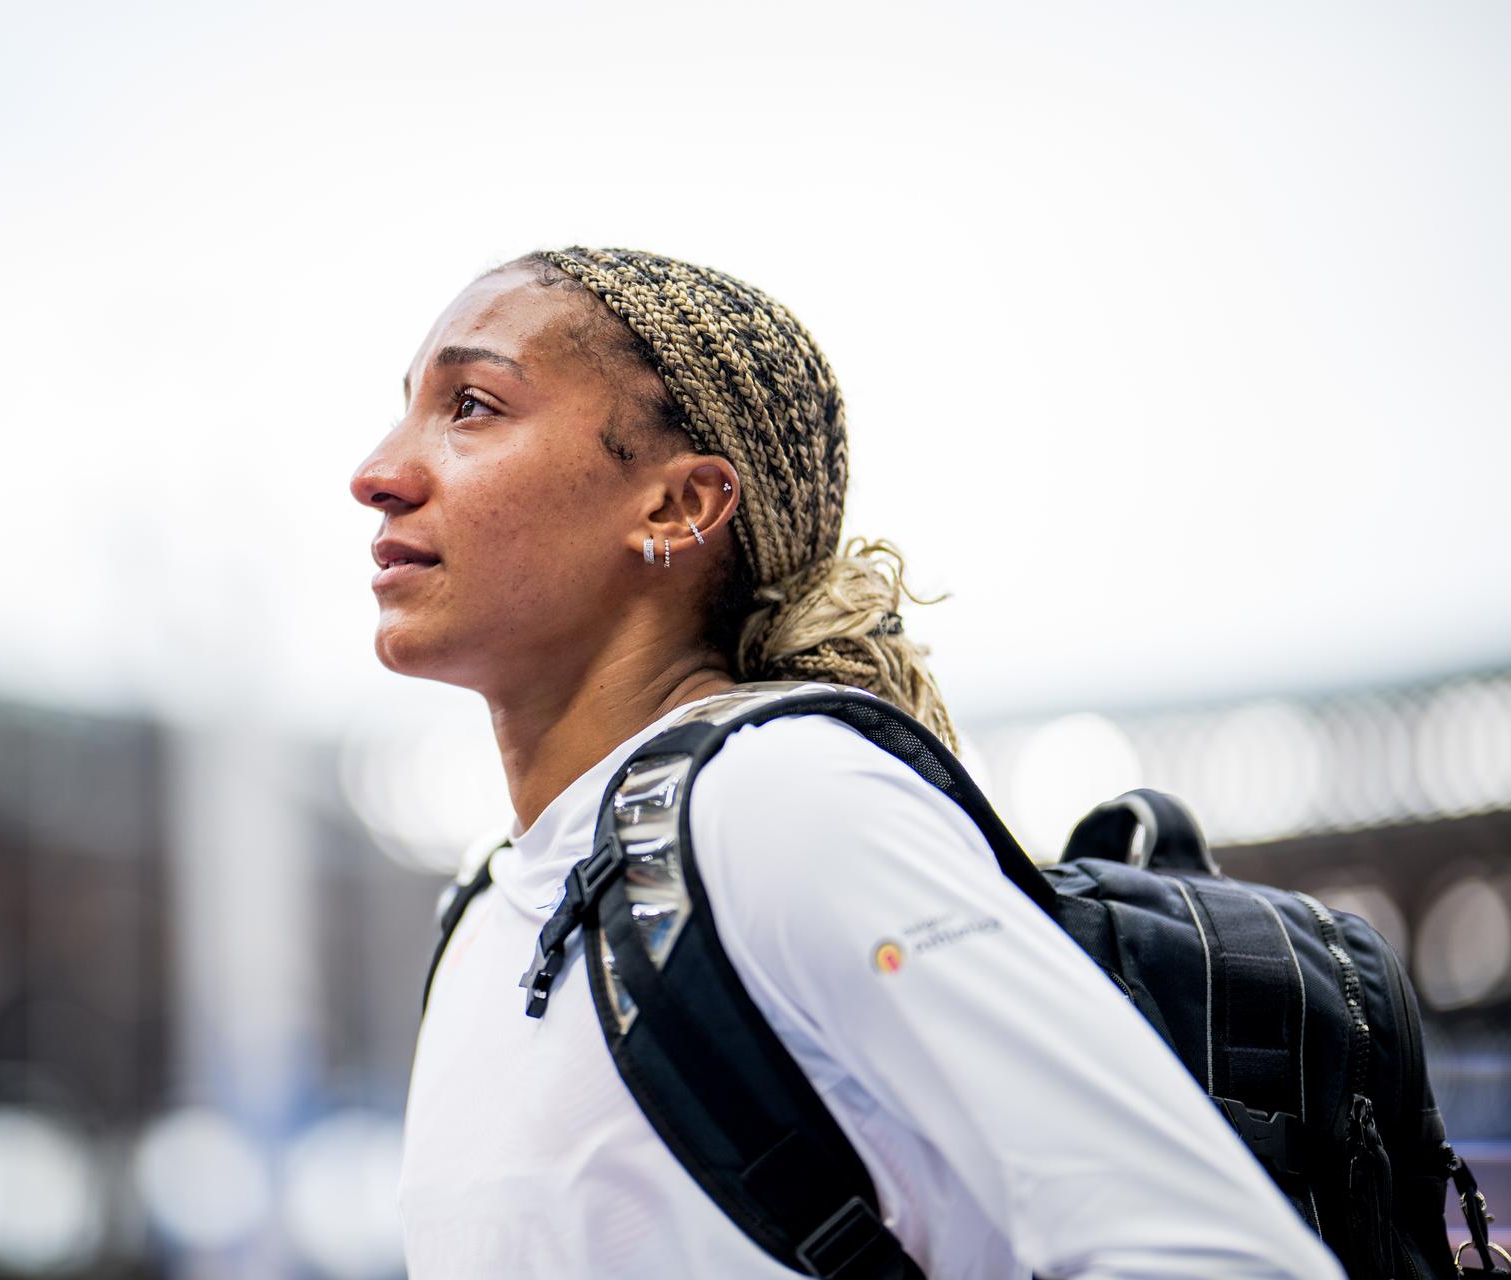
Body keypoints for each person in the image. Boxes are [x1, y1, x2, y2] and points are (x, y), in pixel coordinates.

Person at [348, 247, 1343, 1279]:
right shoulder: (484, 906)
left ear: (679, 506)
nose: (378, 472)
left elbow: (1223, 1254)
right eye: (410, 407)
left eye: (471, 405)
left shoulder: (780, 803)